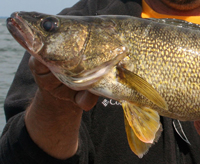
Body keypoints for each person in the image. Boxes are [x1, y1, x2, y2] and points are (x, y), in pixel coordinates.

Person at [1, 0, 200, 163]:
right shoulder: (86, 14)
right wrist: (55, 103)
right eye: (50, 27)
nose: (47, 30)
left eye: (49, 27)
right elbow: (14, 156)